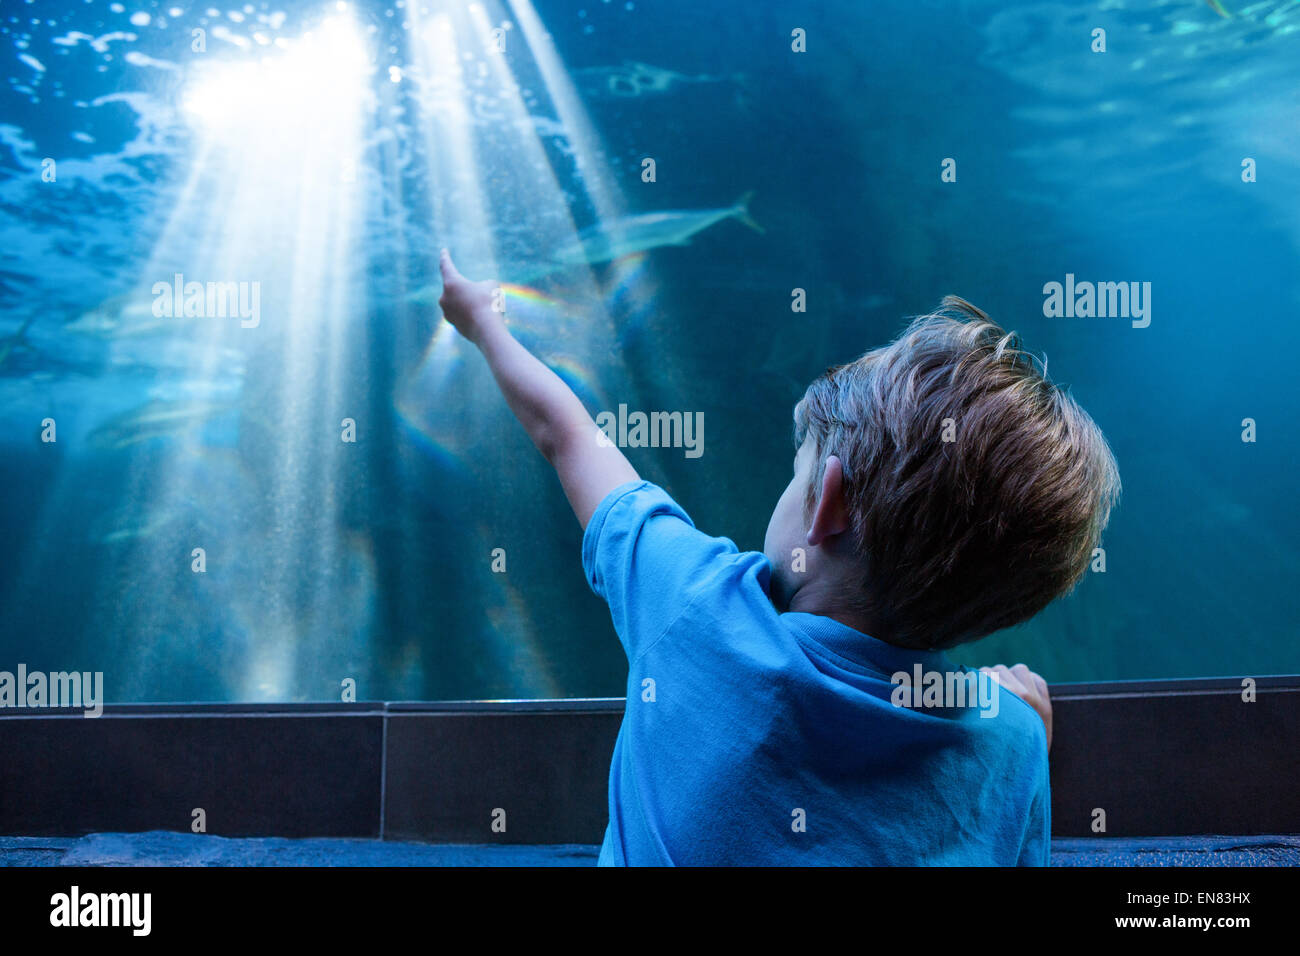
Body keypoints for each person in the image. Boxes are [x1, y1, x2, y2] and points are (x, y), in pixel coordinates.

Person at [434, 249, 1120, 865]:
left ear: (828, 504)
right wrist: (1020, 718)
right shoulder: (1011, 747)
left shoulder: (692, 602)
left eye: (797, 469)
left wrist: (484, 324)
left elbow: (567, 434)